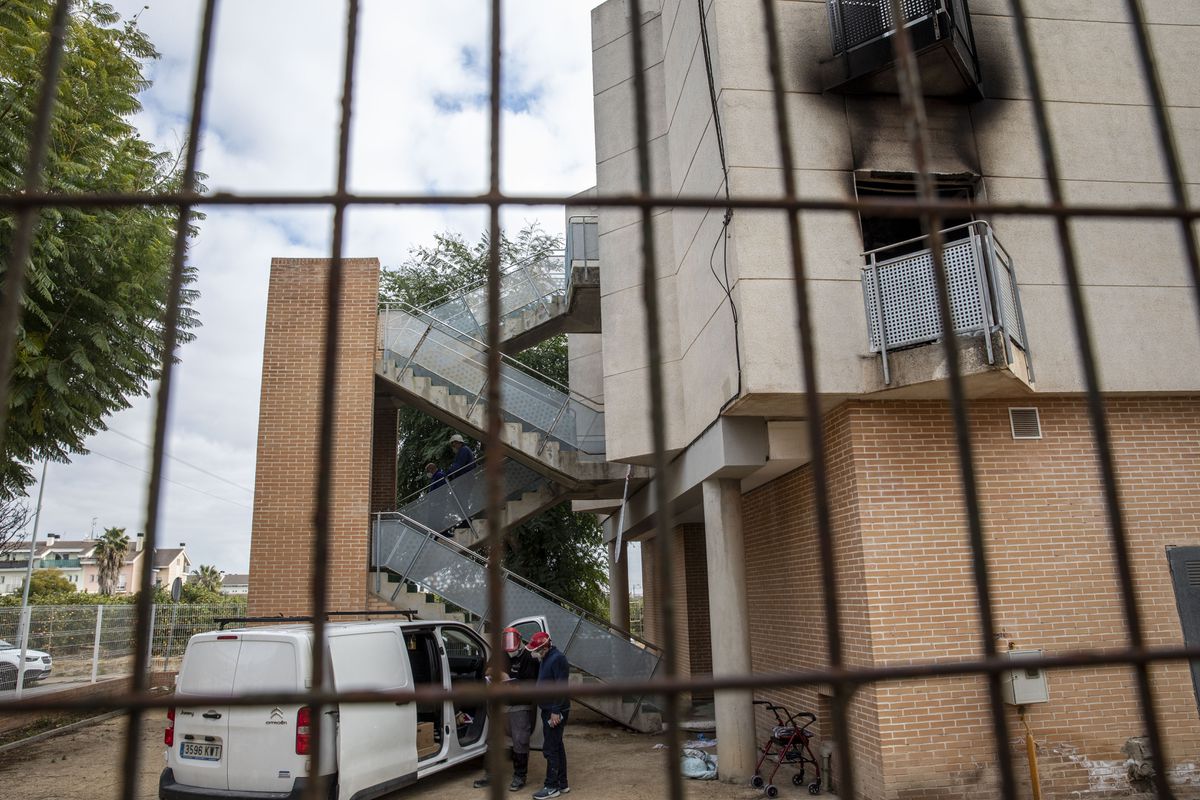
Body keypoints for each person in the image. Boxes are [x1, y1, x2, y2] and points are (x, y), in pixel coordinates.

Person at [473, 628, 540, 792]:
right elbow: (486, 671)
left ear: (519, 643)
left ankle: (520, 776)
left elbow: (531, 683)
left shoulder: (529, 657)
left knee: (520, 740)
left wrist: (511, 683)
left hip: (519, 705)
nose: (509, 652)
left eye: (512, 650)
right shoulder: (500, 653)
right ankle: (490, 775)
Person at [529, 631, 569, 799]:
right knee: (557, 745)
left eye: (538, 649)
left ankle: (551, 786)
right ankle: (562, 783)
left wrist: (555, 711)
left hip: (555, 710)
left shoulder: (557, 658)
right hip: (550, 708)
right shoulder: (546, 658)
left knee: (551, 748)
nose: (536, 652)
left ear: (545, 646)